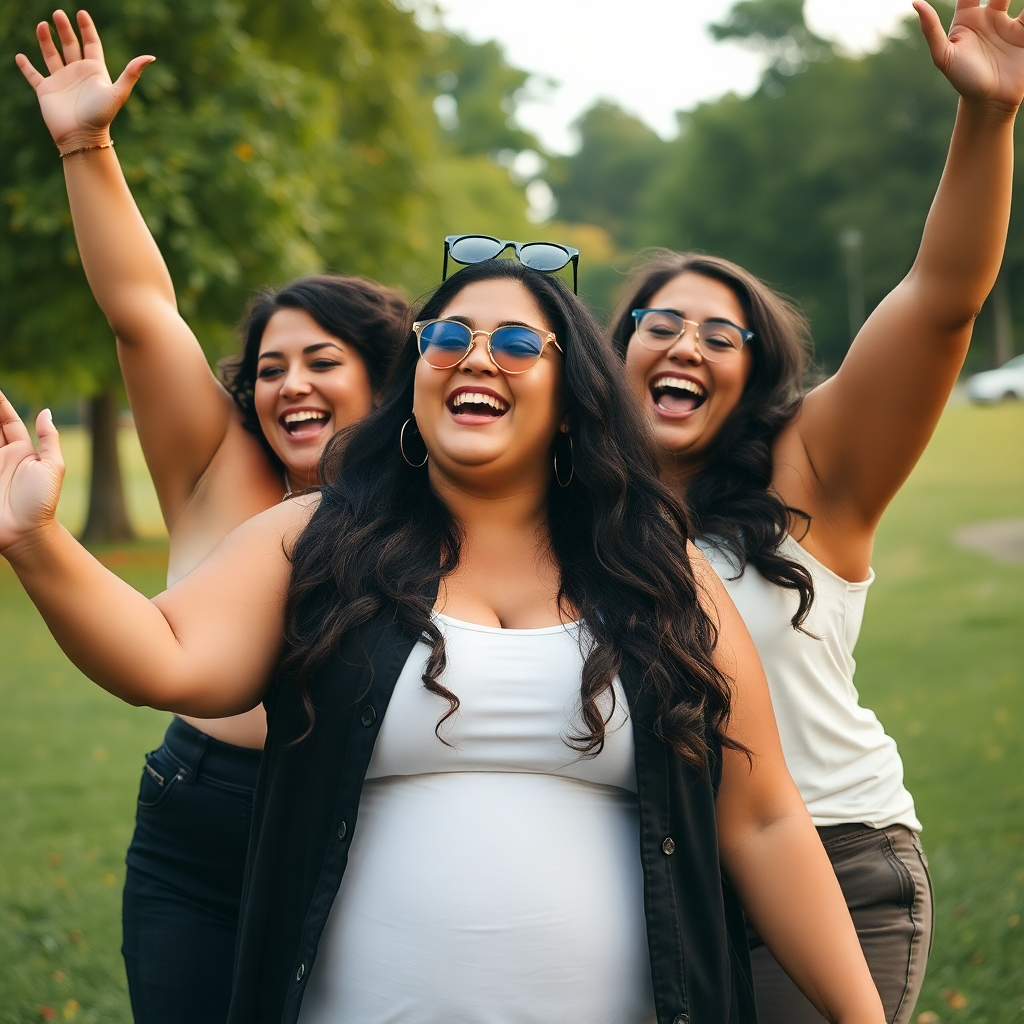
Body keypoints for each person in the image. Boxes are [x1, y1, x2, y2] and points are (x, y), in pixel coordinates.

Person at [0, 255, 889, 1024]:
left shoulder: (658, 572)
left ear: (573, 399)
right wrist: (38, 543)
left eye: (512, 345)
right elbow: (165, 658)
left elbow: (766, 817)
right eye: (447, 339)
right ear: (415, 379)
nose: (475, 358)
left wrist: (856, 1013)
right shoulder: (315, 539)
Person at [610, 2, 1024, 1021]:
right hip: (654, 886)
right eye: (658, 323)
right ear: (610, 356)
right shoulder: (570, 515)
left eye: (721, 334)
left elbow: (939, 299)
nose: (686, 346)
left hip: (836, 866)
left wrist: (985, 118)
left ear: (753, 374)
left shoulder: (809, 476)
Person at [15, 11, 409, 1023]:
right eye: (271, 366)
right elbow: (142, 307)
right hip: (198, 820)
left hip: (359, 824)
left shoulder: (427, 503)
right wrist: (83, 144)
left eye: (324, 361)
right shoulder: (210, 463)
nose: (291, 385)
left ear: (388, 375)